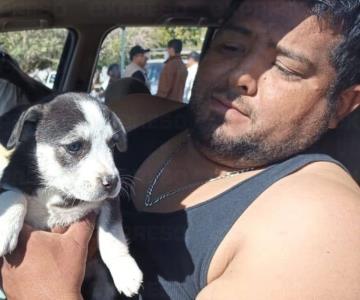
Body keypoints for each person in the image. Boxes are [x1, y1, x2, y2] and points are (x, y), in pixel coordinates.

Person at [2, 0, 360, 299]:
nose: (241, 76)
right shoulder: (135, 115)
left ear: (342, 104)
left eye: (286, 67)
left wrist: (44, 293)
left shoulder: (323, 222)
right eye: (231, 47)